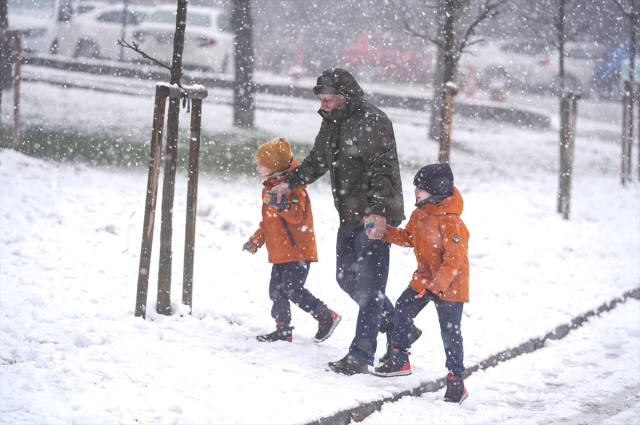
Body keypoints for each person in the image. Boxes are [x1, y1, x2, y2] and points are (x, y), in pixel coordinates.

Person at [271, 68, 419, 374]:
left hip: (372, 217)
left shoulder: (372, 122)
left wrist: (378, 212)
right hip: (350, 214)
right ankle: (396, 324)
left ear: (345, 98)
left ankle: (361, 355)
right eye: (321, 100)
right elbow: (317, 160)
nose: (322, 106)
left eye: (328, 100)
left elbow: (383, 169)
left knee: (370, 287)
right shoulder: (332, 123)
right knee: (347, 278)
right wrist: (290, 183)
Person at [367, 163, 470, 404]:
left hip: (450, 286)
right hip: (425, 279)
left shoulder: (451, 222)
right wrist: (382, 231)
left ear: (435, 191)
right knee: (403, 306)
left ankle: (456, 382)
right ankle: (399, 357)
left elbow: (453, 261)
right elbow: (408, 237)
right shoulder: (421, 214)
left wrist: (437, 287)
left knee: (450, 333)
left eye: (420, 188)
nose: (415, 191)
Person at [243, 137, 341, 343]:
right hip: (280, 251)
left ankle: (325, 315)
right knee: (276, 291)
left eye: (262, 164)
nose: (257, 167)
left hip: (297, 251)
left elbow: (297, 216)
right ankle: (282, 329)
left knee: (292, 289)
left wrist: (282, 205)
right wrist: (255, 241)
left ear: (274, 167)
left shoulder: (294, 189)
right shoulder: (269, 188)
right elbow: (268, 223)